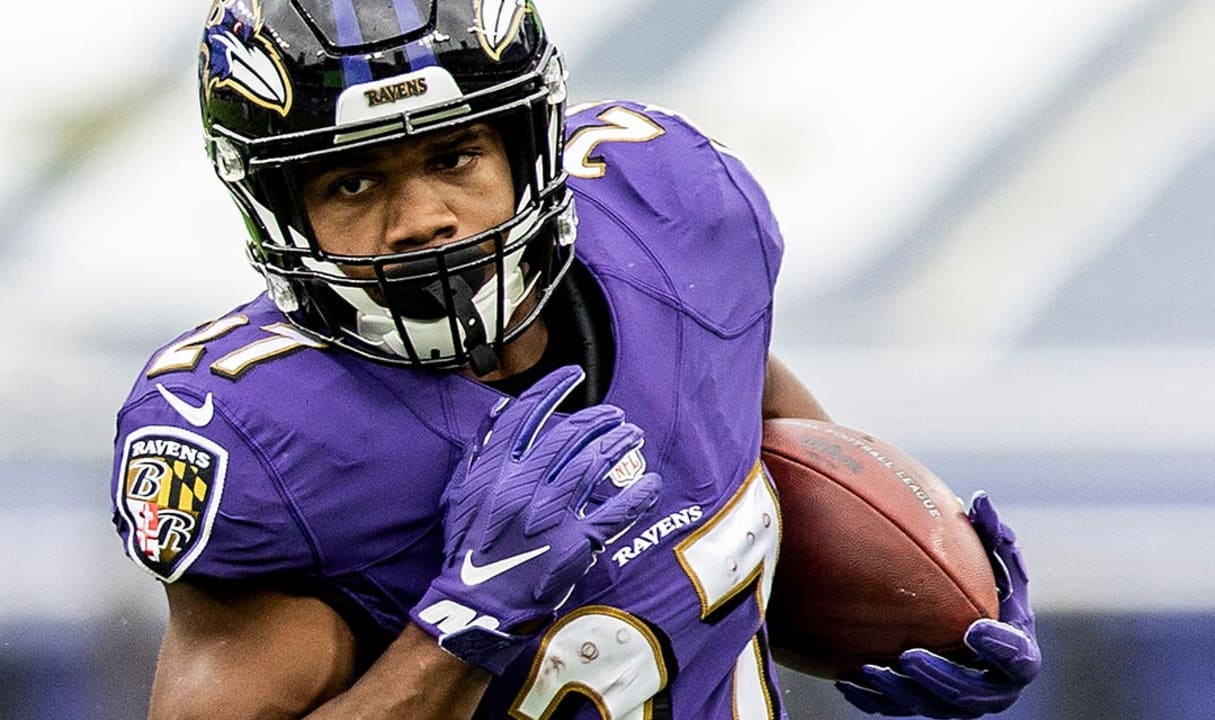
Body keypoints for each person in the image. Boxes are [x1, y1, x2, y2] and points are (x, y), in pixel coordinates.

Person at [109, 0, 1041, 717]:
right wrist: (458, 628)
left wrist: (933, 605)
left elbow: (736, 407)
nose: (424, 218)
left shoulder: (668, 225)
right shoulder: (267, 438)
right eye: (352, 180)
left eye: (454, 157)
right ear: (279, 209)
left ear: (527, 146)